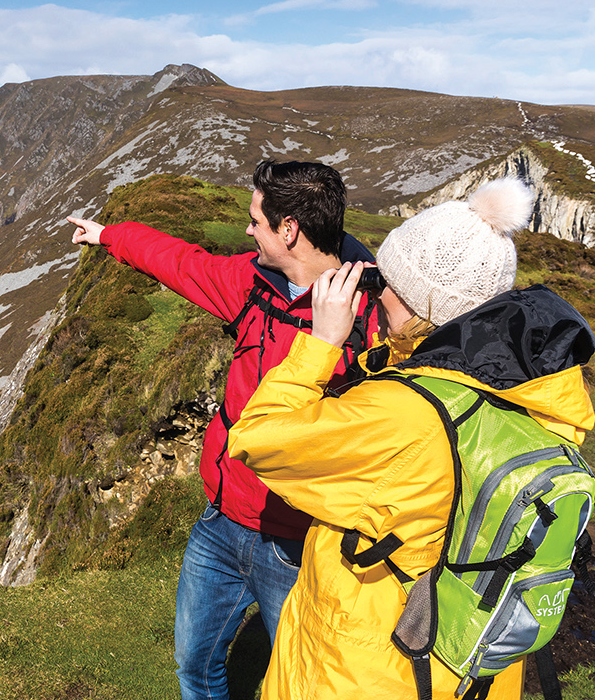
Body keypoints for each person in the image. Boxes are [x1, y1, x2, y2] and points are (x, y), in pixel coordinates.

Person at [226, 177, 595, 698]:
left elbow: (258, 438)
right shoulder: (542, 393)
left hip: (370, 668)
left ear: (418, 301)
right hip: (466, 665)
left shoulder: (403, 413)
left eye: (387, 283)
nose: (377, 294)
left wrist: (322, 343)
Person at [67, 160, 379, 700]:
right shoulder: (252, 283)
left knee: (306, 687)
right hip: (221, 521)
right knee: (194, 665)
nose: (248, 230)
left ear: (290, 230)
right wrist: (108, 235)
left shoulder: (372, 318)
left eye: (256, 220)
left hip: (300, 543)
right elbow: (182, 264)